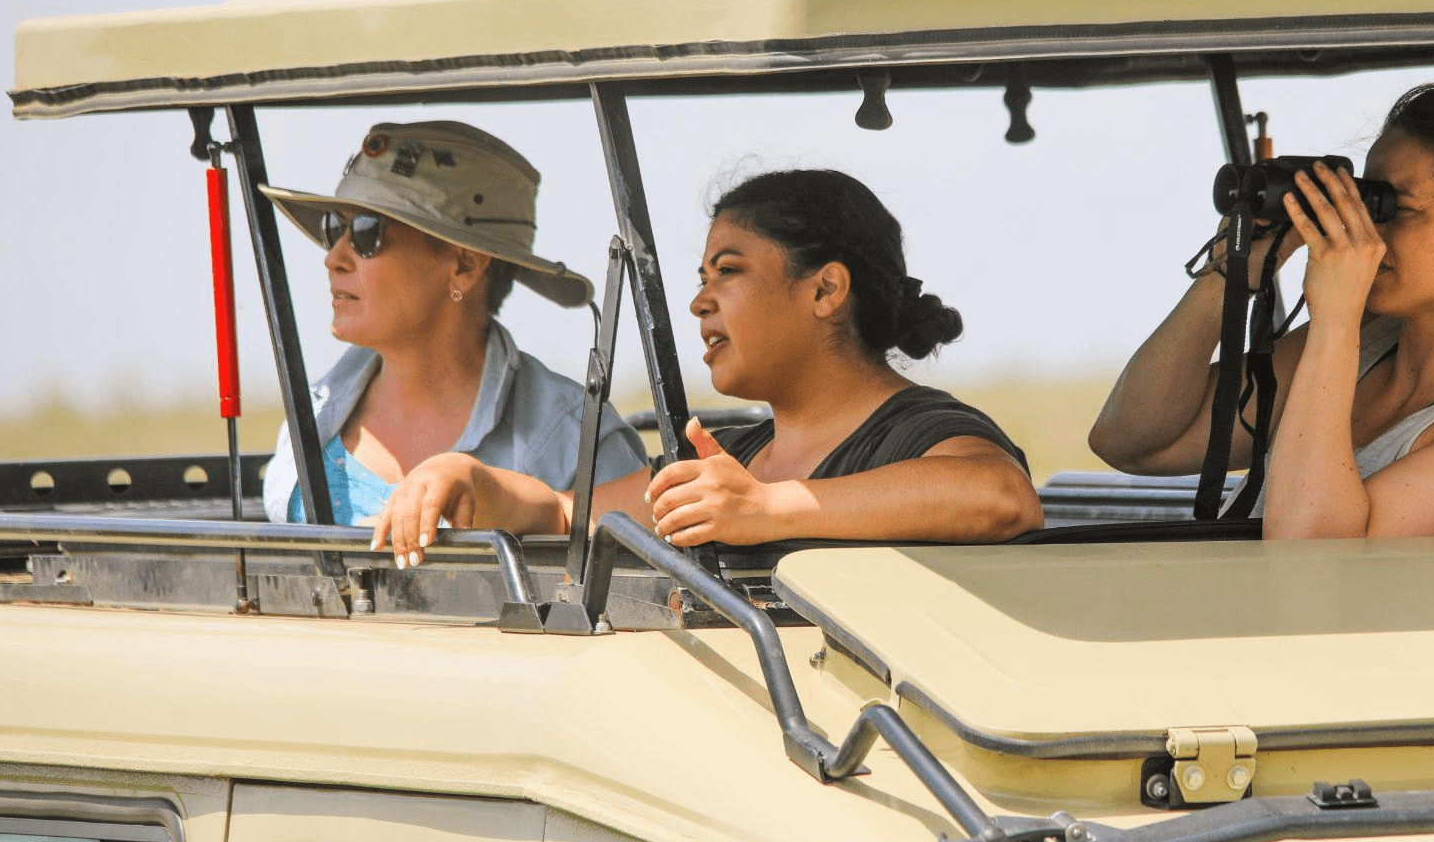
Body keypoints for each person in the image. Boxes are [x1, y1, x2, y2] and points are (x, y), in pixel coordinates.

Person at [373, 168, 1042, 557]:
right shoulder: (737, 457)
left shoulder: (916, 430)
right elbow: (560, 512)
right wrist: (465, 477)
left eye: (728, 270)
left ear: (826, 290)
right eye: (702, 276)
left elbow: (1000, 497)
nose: (699, 302)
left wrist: (770, 508)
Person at [1089, 82, 1434, 539]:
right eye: (1364, 199)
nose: (1363, 228)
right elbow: (1131, 442)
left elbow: (1311, 554)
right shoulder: (1366, 352)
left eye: (1394, 208)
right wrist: (1232, 270)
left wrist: (1335, 322)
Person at [259, 119, 647, 555]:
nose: (333, 257)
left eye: (367, 233)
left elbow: (642, 593)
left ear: (465, 265)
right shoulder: (313, 411)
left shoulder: (575, 438)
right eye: (334, 227)